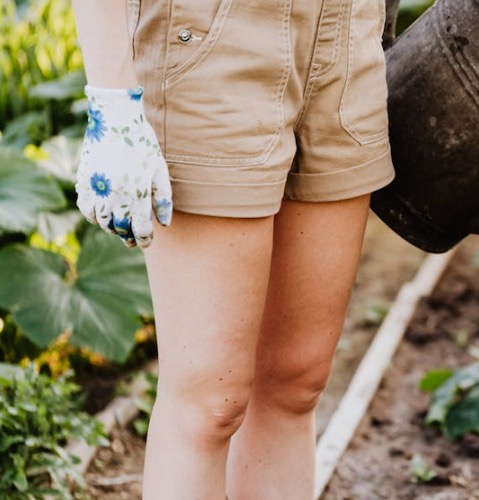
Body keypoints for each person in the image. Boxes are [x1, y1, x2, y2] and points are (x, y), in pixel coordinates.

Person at [71, 0, 395, 497]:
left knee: (297, 382)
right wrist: (112, 100)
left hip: (349, 32)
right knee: (209, 405)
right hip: (214, 39)